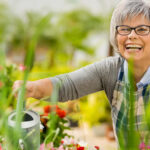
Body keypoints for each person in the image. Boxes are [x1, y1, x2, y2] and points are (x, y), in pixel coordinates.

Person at [13, 0, 150, 148]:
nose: (132, 35)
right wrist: (33, 88)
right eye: (124, 29)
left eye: (142, 29)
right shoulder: (111, 70)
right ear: (116, 35)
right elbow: (68, 85)